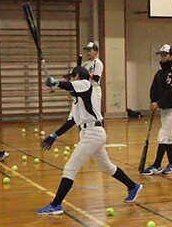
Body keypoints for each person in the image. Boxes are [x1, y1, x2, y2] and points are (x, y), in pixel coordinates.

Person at [36, 66, 142, 215]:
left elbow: (69, 85)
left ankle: (56, 205)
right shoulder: (77, 101)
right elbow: (72, 121)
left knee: (70, 168)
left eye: (72, 77)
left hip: (93, 134)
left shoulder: (86, 84)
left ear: (78, 76)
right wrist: (54, 135)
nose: (70, 80)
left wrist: (56, 83)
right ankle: (133, 186)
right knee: (106, 167)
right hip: (90, 133)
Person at [141, 44, 172, 176]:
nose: (162, 57)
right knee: (168, 135)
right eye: (161, 55)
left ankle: (157, 165)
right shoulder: (160, 72)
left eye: (165, 55)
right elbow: (154, 89)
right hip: (164, 108)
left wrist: (159, 103)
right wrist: (153, 101)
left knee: (163, 134)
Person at [82, 41, 103, 111]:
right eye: (87, 51)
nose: (88, 53)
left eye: (90, 51)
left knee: (95, 111)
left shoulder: (97, 63)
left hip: (94, 89)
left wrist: (86, 74)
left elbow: (96, 78)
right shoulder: (86, 64)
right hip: (86, 89)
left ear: (96, 52)